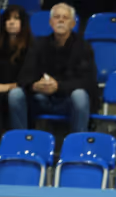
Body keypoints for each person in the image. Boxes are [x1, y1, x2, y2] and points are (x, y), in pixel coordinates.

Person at [10, 2, 97, 133]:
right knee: (15, 94)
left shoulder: (83, 47)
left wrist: (58, 86)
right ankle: (21, 139)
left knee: (80, 95)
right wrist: (34, 85)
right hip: (41, 99)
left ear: (73, 24)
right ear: (51, 22)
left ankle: (78, 141)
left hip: (68, 101)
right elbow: (24, 75)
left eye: (65, 17)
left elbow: (88, 81)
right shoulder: (38, 44)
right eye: (57, 17)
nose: (60, 20)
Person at [0, 5, 32, 131]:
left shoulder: (32, 46)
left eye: (16, 18)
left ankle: (19, 138)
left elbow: (30, 77)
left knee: (15, 95)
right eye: (8, 19)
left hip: (24, 91)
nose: (11, 22)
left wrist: (8, 87)